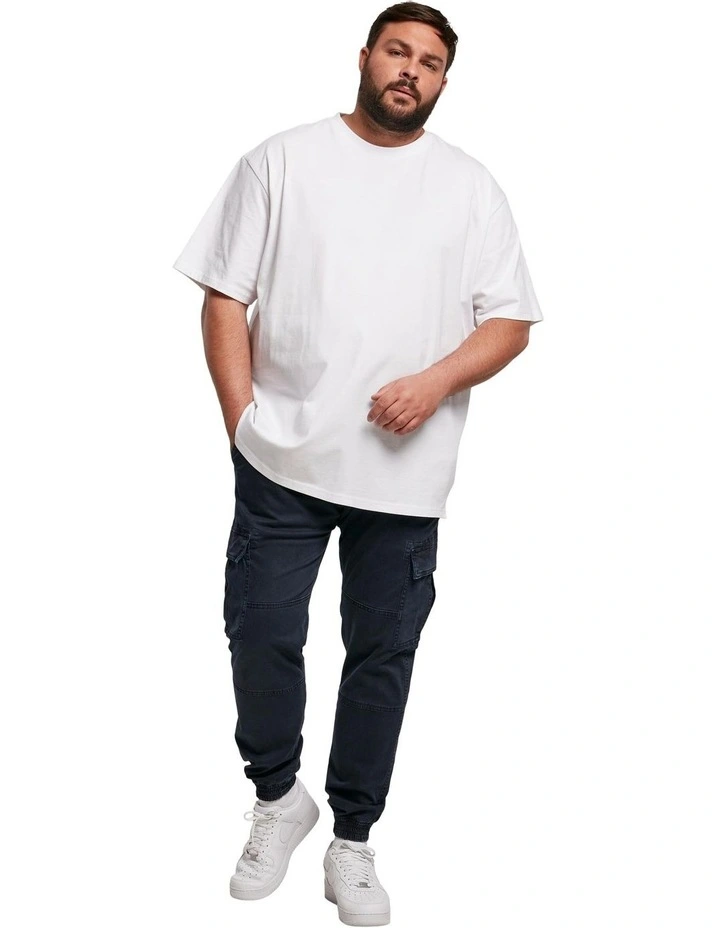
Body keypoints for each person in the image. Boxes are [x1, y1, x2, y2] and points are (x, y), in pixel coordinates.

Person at [172, 3, 543, 923]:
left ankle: (352, 840)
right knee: (260, 631)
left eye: (431, 61)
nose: (410, 70)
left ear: (445, 80)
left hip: (405, 475)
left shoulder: (470, 187)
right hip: (280, 460)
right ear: (366, 56)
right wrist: (240, 422)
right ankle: (276, 797)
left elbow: (509, 320)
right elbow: (224, 295)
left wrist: (435, 381)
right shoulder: (282, 161)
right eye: (397, 51)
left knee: (382, 657)